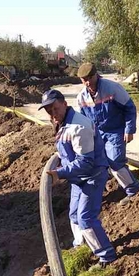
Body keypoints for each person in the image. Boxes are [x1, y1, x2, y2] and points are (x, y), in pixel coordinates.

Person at [41, 89, 117, 266]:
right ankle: (81, 245)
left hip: (92, 176)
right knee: (74, 215)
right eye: (48, 111)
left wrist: (59, 173)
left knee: (85, 218)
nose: (52, 114)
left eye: (55, 109)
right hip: (78, 178)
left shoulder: (79, 126)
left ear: (65, 105)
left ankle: (106, 256)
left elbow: (85, 162)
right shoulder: (63, 123)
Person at [76, 61, 139, 204]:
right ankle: (98, 190)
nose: (87, 83)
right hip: (97, 134)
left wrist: (129, 130)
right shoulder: (81, 97)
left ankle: (133, 190)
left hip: (115, 131)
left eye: (89, 79)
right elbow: (83, 122)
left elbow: (129, 108)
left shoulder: (112, 88)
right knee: (95, 163)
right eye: (84, 80)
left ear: (96, 75)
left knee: (115, 162)